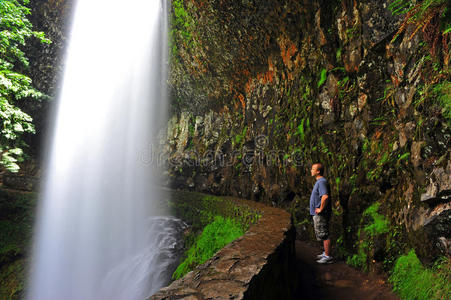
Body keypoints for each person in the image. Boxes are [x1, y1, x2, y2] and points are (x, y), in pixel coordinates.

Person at [310, 162, 333, 264]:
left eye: (313, 169)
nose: (311, 170)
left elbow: (325, 196)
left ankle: (327, 256)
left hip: (321, 214)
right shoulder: (319, 182)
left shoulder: (321, 182)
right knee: (322, 233)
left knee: (324, 235)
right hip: (319, 214)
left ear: (318, 171)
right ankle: (325, 253)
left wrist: (320, 209)